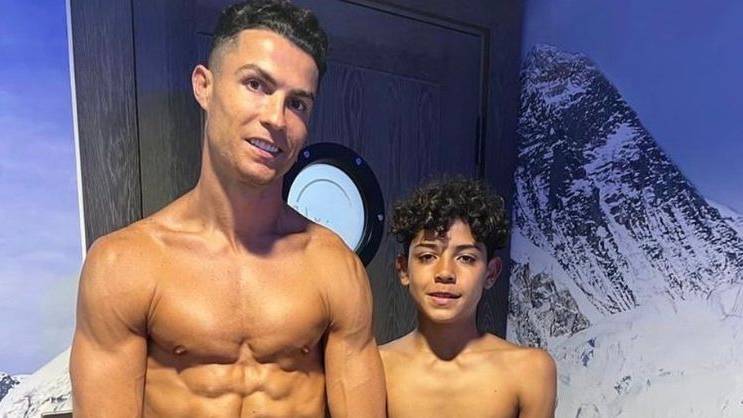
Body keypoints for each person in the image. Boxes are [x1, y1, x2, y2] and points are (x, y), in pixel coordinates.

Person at [69, 1, 386, 416]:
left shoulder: (335, 267)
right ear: (205, 86)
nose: (276, 118)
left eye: (297, 104)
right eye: (256, 84)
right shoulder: (124, 264)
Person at [380, 177, 556, 418]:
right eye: (427, 256)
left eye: (466, 258)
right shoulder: (375, 368)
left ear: (490, 274)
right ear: (403, 270)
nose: (444, 273)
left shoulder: (529, 370)